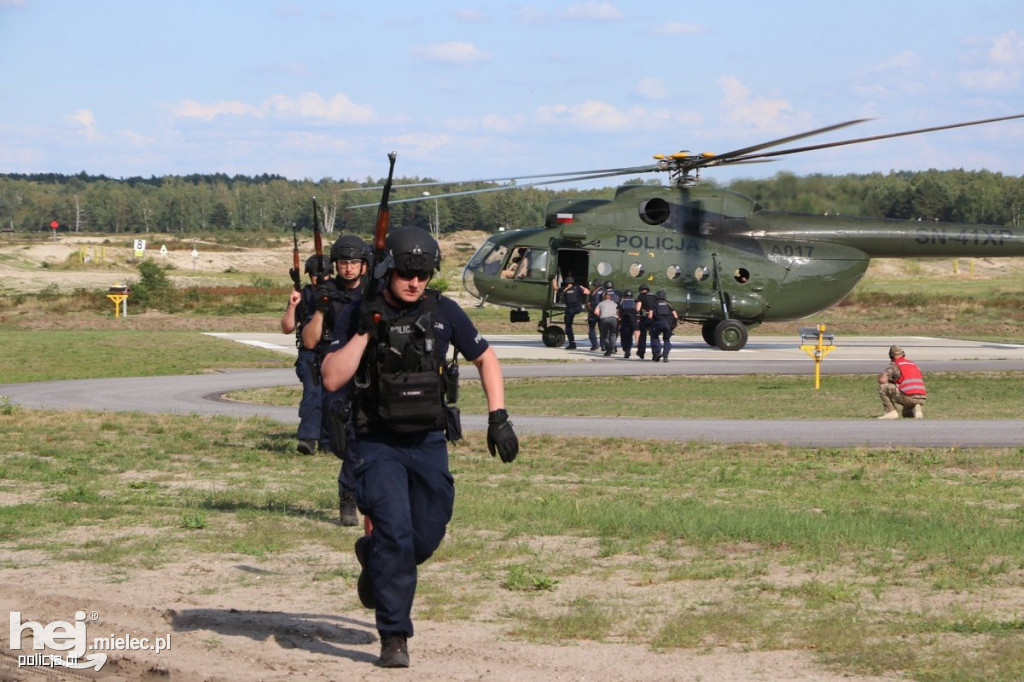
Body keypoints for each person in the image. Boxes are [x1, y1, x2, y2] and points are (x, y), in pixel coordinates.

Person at [320, 226, 519, 669]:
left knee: (424, 536)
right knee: (394, 532)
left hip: (429, 441)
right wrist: (365, 332)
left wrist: (498, 416)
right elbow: (332, 378)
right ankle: (394, 636)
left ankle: (374, 562)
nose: (415, 283)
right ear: (390, 269)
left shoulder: (444, 310)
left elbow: (485, 357)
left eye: (424, 275)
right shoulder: (360, 311)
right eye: (407, 274)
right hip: (377, 442)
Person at [300, 235, 368, 526]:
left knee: (358, 441)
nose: (349, 268)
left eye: (354, 262)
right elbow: (309, 340)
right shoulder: (324, 293)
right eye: (343, 263)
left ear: (364, 265)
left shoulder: (374, 292)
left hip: (367, 373)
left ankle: (350, 498)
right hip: (334, 372)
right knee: (340, 441)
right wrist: (320, 310)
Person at [281, 254, 332, 455]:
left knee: (333, 398)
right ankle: (309, 439)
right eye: (314, 275)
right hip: (310, 354)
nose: (319, 279)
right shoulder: (302, 296)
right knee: (313, 394)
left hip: (332, 351)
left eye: (325, 275)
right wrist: (293, 305)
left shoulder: (337, 293)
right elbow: (287, 327)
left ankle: (329, 442)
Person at [877, 345, 927, 419]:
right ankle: (917, 407)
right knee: (906, 414)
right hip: (922, 397)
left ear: (891, 356)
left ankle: (891, 411)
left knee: (882, 387)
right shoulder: (913, 364)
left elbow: (882, 380)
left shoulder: (895, 365)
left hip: (908, 396)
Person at [555, 276, 589, 350]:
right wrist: (582, 287)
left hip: (570, 309)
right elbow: (587, 292)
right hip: (578, 308)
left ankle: (572, 343)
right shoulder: (577, 288)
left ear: (566, 283)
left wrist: (553, 279)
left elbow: (555, 288)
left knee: (568, 327)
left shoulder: (563, 289)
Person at [648, 290, 678, 362]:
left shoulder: (654, 304)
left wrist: (649, 321)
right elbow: (675, 315)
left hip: (657, 323)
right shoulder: (668, 304)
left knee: (654, 337)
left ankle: (657, 353)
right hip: (668, 324)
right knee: (666, 340)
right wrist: (673, 325)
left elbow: (650, 316)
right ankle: (665, 357)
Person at [635, 284, 656, 360]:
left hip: (644, 318)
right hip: (653, 318)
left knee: (643, 336)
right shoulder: (654, 296)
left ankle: (641, 352)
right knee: (654, 336)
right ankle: (655, 353)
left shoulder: (641, 296)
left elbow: (638, 308)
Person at [595, 289, 620, 356]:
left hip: (604, 319)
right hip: (613, 319)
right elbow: (618, 312)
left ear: (604, 298)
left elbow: (596, 312)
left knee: (605, 335)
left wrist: (601, 316)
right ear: (610, 298)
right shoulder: (614, 304)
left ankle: (608, 349)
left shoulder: (600, 303)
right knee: (613, 334)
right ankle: (612, 348)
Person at [618, 289, 638, 358]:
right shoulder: (635, 301)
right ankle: (628, 349)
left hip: (624, 321)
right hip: (633, 321)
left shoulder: (622, 302)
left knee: (624, 336)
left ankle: (625, 349)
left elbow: (619, 311)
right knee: (630, 336)